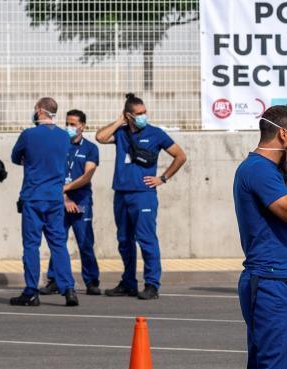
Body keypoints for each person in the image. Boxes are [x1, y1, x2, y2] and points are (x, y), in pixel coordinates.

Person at [233, 105, 287, 369]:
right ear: (282, 136)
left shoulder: (269, 170)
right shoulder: (260, 170)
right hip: (271, 281)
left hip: (275, 279)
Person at [96, 93, 187, 299]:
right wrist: (120, 121)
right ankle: (128, 282)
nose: (143, 116)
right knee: (124, 240)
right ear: (128, 115)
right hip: (122, 194)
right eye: (138, 114)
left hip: (143, 195)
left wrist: (162, 178)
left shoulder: (156, 133)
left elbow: (180, 156)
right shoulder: (120, 133)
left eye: (144, 112)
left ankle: (152, 284)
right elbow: (100, 137)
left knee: (146, 239)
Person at [10, 97, 78, 307]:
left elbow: (15, 157)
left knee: (31, 245)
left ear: (40, 110)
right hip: (55, 198)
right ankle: (68, 289)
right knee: (58, 243)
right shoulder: (63, 137)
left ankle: (31, 290)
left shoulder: (29, 135)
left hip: (34, 196)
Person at [42, 108, 102, 295]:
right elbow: (51, 173)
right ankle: (54, 279)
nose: (69, 127)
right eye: (67, 123)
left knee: (85, 241)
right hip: (60, 200)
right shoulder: (59, 144)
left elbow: (87, 176)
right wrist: (64, 197)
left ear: (82, 126)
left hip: (81, 200)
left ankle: (91, 281)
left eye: (73, 124)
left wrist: (66, 190)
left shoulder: (91, 148)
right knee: (57, 240)